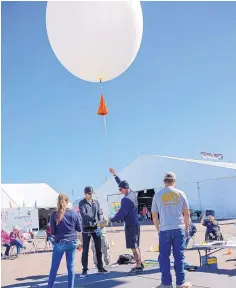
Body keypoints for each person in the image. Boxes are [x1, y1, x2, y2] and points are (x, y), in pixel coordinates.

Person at [152, 172, 192, 288]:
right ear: (174, 181)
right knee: (179, 256)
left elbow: (154, 215)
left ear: (164, 181)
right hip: (179, 228)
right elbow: (187, 214)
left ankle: (166, 283)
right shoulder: (181, 193)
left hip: (164, 229)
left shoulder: (158, 195)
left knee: (164, 257)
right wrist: (187, 229)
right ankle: (181, 283)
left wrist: (158, 229)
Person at [109, 168, 143, 275]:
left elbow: (120, 214)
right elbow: (122, 184)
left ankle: (138, 266)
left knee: (133, 247)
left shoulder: (126, 200)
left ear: (125, 189)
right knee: (136, 245)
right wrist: (115, 175)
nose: (120, 191)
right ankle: (140, 263)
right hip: (136, 224)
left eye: (120, 190)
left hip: (130, 225)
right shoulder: (132, 193)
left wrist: (111, 219)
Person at [48, 194, 82, 288]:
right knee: (70, 267)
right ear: (67, 202)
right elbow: (79, 228)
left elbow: (53, 232)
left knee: (54, 268)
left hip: (60, 242)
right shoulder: (74, 213)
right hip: (72, 242)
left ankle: (50, 286)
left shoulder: (54, 214)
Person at [79, 186, 107, 278]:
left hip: (96, 228)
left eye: (91, 193)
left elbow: (99, 213)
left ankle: (100, 266)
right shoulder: (81, 203)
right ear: (85, 194)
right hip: (86, 229)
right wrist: (94, 220)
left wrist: (100, 221)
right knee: (85, 250)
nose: (91, 195)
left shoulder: (96, 202)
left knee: (98, 248)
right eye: (89, 193)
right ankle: (84, 269)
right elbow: (84, 215)